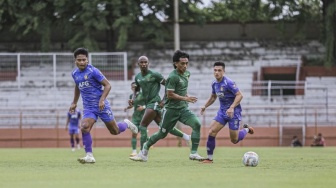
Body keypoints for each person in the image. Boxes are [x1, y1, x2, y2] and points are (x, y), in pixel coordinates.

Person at [130, 50, 205, 162]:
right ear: (175, 63)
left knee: (197, 124)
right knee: (162, 133)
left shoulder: (187, 74)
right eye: (182, 63)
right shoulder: (172, 77)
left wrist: (186, 96)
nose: (185, 66)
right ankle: (144, 150)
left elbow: (181, 89)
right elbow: (170, 94)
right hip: (171, 110)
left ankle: (193, 153)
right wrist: (184, 98)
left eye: (186, 63)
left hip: (183, 108)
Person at [69, 47, 138, 164]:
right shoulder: (74, 74)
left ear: (87, 60)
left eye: (83, 60)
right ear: (75, 61)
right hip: (89, 108)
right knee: (85, 126)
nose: (81, 62)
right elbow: (78, 86)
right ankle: (89, 155)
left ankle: (126, 123)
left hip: (102, 105)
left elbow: (107, 85)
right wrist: (74, 102)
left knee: (114, 131)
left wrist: (102, 100)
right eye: (79, 60)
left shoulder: (93, 71)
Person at [200, 61, 254, 163]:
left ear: (223, 71)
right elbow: (213, 97)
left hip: (234, 113)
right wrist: (205, 106)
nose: (217, 72)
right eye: (215, 70)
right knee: (212, 131)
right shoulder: (214, 84)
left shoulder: (229, 83)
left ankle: (246, 129)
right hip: (222, 112)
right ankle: (209, 159)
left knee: (234, 140)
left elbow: (239, 95)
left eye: (219, 70)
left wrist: (232, 107)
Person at [124, 82, 146, 156]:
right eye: (132, 87)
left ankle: (143, 151)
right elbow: (132, 105)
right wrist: (128, 106)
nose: (133, 88)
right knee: (134, 133)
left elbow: (149, 103)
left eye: (135, 87)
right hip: (135, 117)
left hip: (144, 117)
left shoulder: (143, 95)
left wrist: (143, 107)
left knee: (143, 134)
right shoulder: (132, 95)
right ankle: (134, 151)